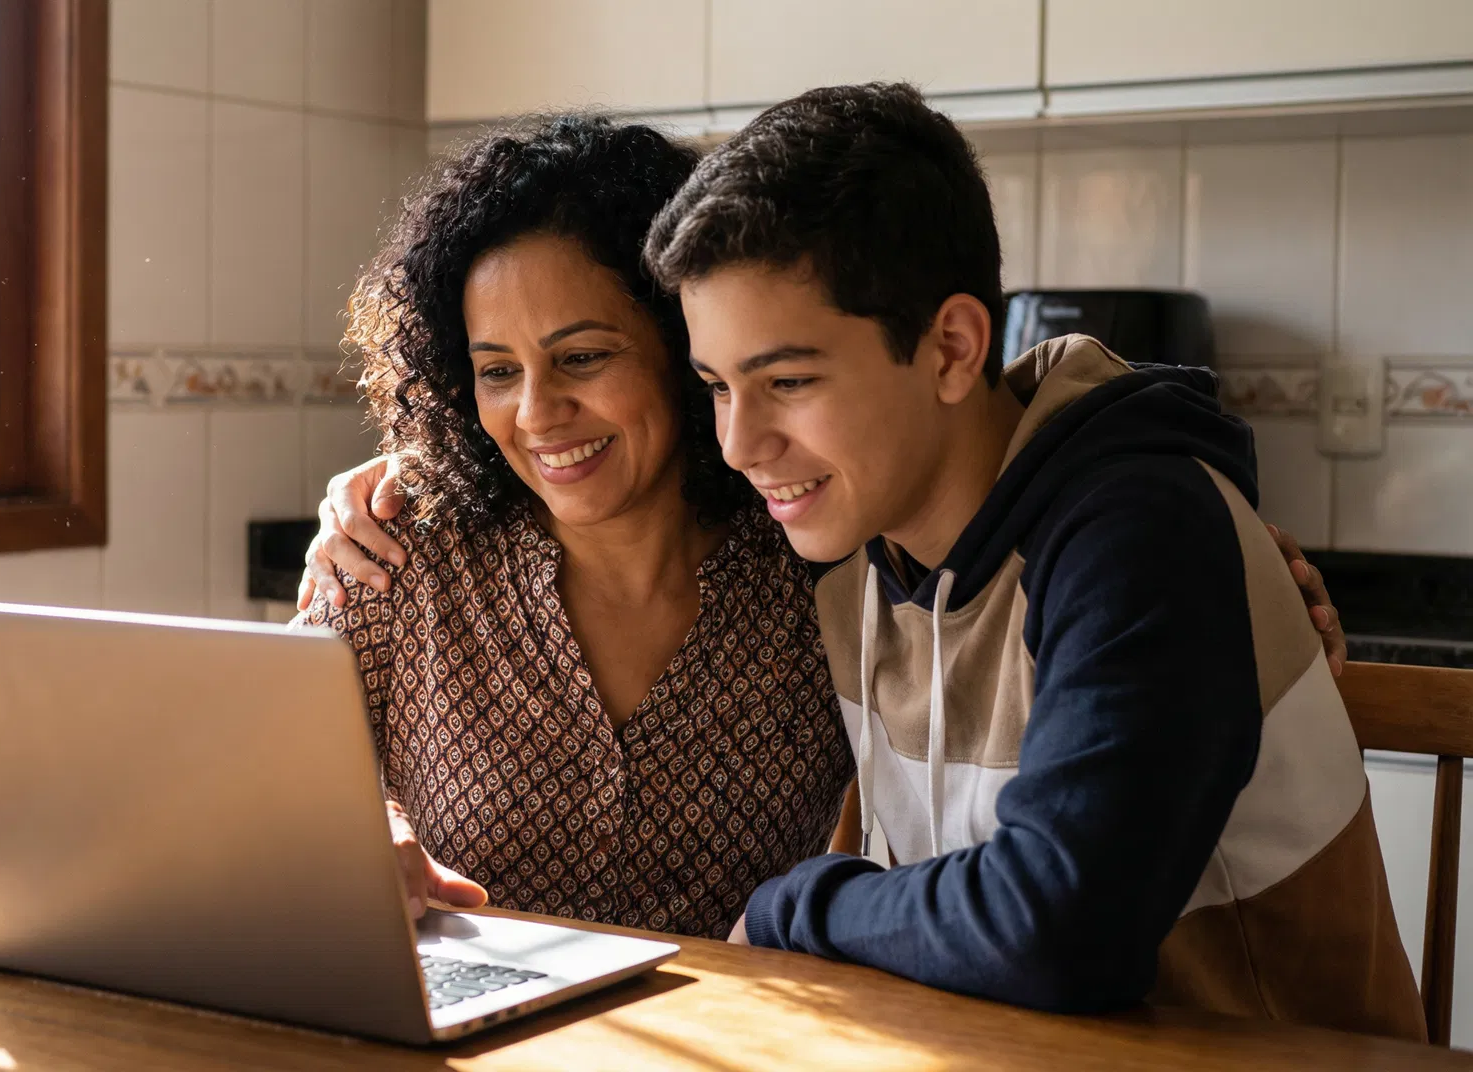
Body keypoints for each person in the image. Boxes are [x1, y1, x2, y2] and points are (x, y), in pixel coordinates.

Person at [638, 82, 1423, 1039]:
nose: (738, 442)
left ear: (954, 349)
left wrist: (794, 909)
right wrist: (407, 494)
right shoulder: (854, 543)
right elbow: (595, 485)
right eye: (717, 386)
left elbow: (1062, 924)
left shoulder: (1143, 528)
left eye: (789, 381)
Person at [292, 116, 854, 940]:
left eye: (583, 357)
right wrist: (365, 833)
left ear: (683, 345)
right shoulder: (399, 549)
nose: (536, 413)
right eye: (497, 372)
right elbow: (270, 759)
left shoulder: (812, 557)